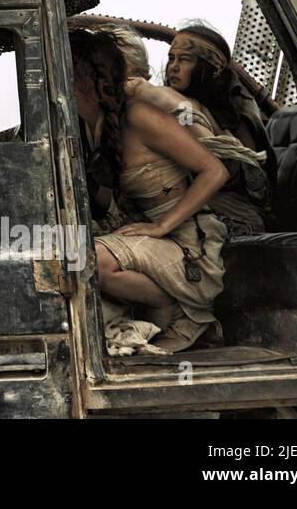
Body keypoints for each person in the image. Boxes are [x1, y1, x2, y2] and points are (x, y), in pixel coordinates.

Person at [71, 28, 230, 353]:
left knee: (89, 258)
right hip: (154, 245)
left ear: (86, 78)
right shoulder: (92, 126)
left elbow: (215, 171)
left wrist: (162, 225)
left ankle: (176, 305)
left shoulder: (140, 115)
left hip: (191, 249)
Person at [163, 23, 274, 234]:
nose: (174, 67)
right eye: (171, 59)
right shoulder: (179, 101)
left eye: (184, 60)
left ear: (208, 68)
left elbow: (248, 176)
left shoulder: (234, 109)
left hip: (236, 213)